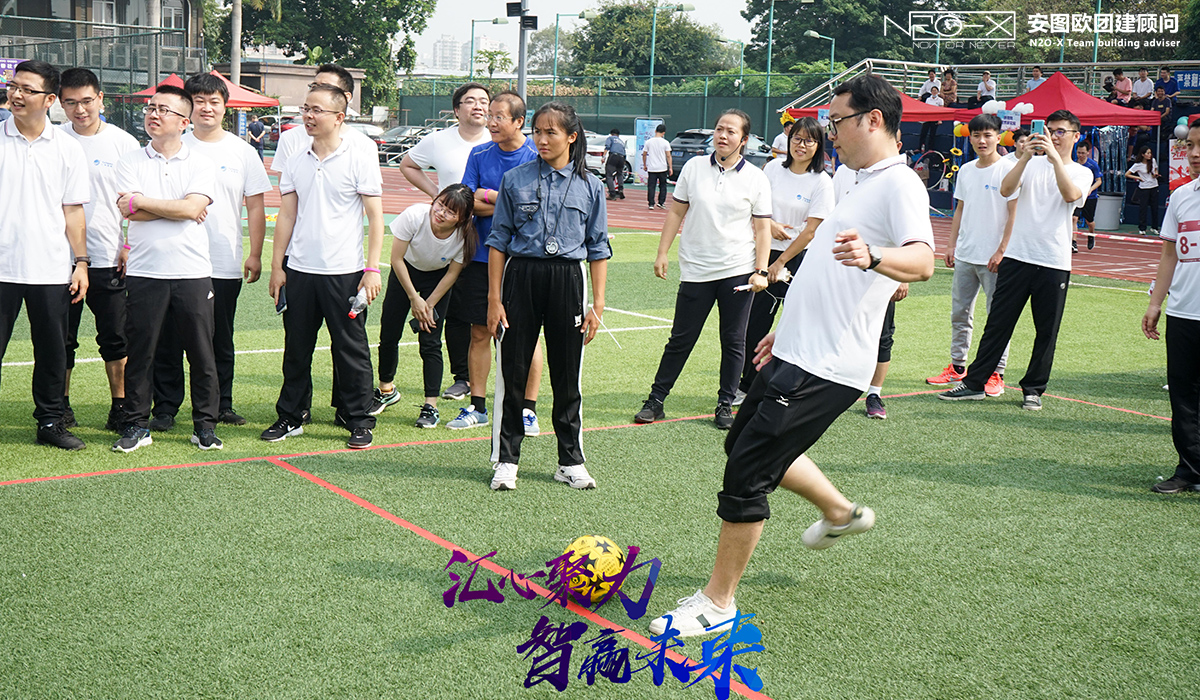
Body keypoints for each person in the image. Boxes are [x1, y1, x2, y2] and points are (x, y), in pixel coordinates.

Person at [648, 74, 934, 638]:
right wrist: (785, 330)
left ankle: (718, 603)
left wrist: (875, 256)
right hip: (798, 348)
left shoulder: (900, 184)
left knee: (747, 470)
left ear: (873, 120)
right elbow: (824, 266)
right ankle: (840, 512)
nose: (832, 132)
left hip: (830, 362)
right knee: (741, 443)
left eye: (838, 121)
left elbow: (923, 260)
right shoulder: (851, 178)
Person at [486, 101, 610, 491]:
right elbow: (498, 241)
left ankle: (570, 461)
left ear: (571, 137)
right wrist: (494, 299)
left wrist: (598, 303)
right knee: (512, 373)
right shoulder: (515, 179)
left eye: (550, 132)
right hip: (520, 277)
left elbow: (598, 248)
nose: (541, 139)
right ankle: (506, 459)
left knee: (567, 375)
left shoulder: (592, 186)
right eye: (537, 131)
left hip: (568, 279)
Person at [940, 110, 1094, 409]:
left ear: (1076, 136)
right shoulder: (1028, 163)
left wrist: (1054, 159)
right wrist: (1025, 157)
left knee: (1046, 330)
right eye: (1049, 130)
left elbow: (1070, 196)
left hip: (1053, 260)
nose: (1053, 136)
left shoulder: (1081, 171)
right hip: (1017, 256)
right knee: (998, 323)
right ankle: (975, 383)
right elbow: (1006, 189)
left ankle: (1033, 389)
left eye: (1060, 132)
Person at [148, 73, 271, 431]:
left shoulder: (242, 151)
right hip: (173, 259)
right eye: (199, 101)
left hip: (222, 260)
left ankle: (221, 404)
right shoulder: (172, 145)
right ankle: (165, 408)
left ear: (224, 107)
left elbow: (255, 207)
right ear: (187, 108)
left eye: (214, 101)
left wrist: (255, 253)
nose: (206, 108)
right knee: (169, 339)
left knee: (219, 337)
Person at [634, 109, 772, 430]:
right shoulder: (694, 167)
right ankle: (656, 400)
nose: (723, 135)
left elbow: (763, 229)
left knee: (733, 341)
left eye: (731, 131)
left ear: (744, 140)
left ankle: (725, 404)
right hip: (696, 269)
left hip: (738, 270)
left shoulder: (756, 177)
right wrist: (662, 253)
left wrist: (762, 271)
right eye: (720, 129)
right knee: (680, 339)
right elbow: (675, 213)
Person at [263, 83, 384, 449]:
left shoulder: (358, 157)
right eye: (305, 109)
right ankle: (291, 416)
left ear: (339, 117)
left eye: (317, 110)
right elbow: (287, 215)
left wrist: (371, 269)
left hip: (345, 272)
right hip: (300, 270)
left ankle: (359, 419)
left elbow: (375, 218)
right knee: (296, 348)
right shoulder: (296, 158)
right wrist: (277, 266)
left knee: (351, 348)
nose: (308, 116)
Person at [111, 85, 220, 453]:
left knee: (201, 353)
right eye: (150, 108)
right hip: (146, 272)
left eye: (163, 110)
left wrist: (145, 202)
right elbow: (129, 211)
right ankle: (137, 424)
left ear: (184, 122)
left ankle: (205, 426)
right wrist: (178, 207)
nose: (153, 114)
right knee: (141, 353)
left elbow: (191, 209)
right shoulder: (130, 161)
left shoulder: (200, 163)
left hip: (192, 271)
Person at [0, 60, 90, 451]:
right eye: (13, 86)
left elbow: (73, 210)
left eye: (27, 89)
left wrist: (81, 262)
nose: (16, 94)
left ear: (50, 100)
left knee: (52, 352)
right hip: (2, 268)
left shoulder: (68, 148)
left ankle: (50, 421)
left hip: (51, 268)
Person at [398, 82, 491, 404]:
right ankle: (461, 377)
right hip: (451, 236)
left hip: (489, 234)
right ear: (456, 109)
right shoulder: (439, 140)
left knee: (486, 308)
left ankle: (492, 376)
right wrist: (437, 197)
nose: (478, 106)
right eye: (470, 101)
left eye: (484, 101)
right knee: (456, 309)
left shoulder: (495, 140)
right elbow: (408, 164)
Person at [456, 91, 543, 433]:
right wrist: (510, 202)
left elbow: (537, 207)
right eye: (489, 115)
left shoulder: (537, 155)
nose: (490, 122)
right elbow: (466, 203)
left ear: (519, 121)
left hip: (524, 260)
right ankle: (477, 407)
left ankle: (527, 410)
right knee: (479, 331)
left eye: (498, 117)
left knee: (527, 336)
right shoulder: (479, 154)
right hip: (481, 256)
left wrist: (490, 196)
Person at [58, 67, 138, 432]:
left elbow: (135, 201)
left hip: (108, 256)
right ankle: (59, 405)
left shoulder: (124, 144)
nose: (80, 110)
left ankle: (120, 406)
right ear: (60, 103)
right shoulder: (54, 140)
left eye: (87, 101)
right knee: (61, 338)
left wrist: (128, 243)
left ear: (100, 98)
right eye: (71, 102)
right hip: (59, 259)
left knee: (115, 337)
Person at [736, 116, 832, 403]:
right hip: (763, 253)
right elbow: (754, 205)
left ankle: (788, 385)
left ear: (819, 145)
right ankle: (745, 385)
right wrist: (770, 226)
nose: (801, 145)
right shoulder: (773, 169)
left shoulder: (822, 182)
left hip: (798, 259)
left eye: (809, 141)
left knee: (795, 324)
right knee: (754, 323)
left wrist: (781, 263)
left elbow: (811, 230)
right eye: (797, 139)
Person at [926, 114, 1015, 396]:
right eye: (976, 135)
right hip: (966, 254)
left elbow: (1014, 214)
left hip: (994, 258)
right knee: (960, 314)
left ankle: (996, 373)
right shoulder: (965, 170)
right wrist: (951, 245)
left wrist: (1002, 250)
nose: (982, 140)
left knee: (997, 318)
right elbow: (960, 209)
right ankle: (957, 366)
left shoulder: (1009, 169)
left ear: (999, 137)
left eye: (988, 135)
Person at [376, 185, 475, 428]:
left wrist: (428, 305)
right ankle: (386, 389)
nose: (441, 213)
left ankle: (431, 406)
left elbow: (452, 274)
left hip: (438, 279)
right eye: (440, 204)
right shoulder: (414, 216)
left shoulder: (465, 236)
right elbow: (396, 259)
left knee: (430, 341)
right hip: (405, 272)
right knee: (389, 333)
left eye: (450, 212)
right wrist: (414, 298)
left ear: (462, 218)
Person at [1141, 118, 1200, 494]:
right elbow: (1169, 256)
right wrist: (1155, 303)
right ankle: (1189, 469)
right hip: (1183, 313)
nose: (1194, 153)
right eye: (1191, 145)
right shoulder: (1181, 197)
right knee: (1183, 394)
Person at [1072, 141, 1102, 252]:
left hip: (1090, 197)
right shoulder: (1074, 165)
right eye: (1079, 153)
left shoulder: (1092, 165)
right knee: (1074, 218)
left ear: (1088, 152)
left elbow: (1099, 181)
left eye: (1083, 153)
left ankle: (1091, 235)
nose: (1081, 155)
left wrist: (1090, 189)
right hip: (1078, 196)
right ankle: (1073, 242)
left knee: (1089, 221)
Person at [1126, 144, 1161, 236]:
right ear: (1143, 154)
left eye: (1150, 153)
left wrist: (1156, 174)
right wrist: (1138, 178)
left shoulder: (1153, 161)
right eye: (1147, 153)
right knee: (1143, 208)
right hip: (1144, 187)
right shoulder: (1137, 165)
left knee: (1155, 208)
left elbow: (1155, 170)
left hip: (1154, 186)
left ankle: (1155, 227)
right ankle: (1142, 228)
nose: (1149, 155)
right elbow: (1127, 174)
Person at [642, 123, 672, 210]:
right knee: (663, 186)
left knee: (651, 186)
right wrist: (670, 167)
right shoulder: (665, 142)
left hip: (652, 168)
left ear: (655, 131)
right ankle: (661, 202)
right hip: (662, 168)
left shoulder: (648, 142)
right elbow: (668, 155)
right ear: (663, 133)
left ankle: (651, 203)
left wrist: (645, 164)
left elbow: (644, 154)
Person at [602, 128, 627, 200]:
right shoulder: (621, 142)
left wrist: (603, 157)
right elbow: (624, 151)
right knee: (620, 174)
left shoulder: (610, 138)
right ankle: (620, 189)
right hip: (622, 157)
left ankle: (612, 193)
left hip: (613, 156)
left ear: (611, 134)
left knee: (609, 175)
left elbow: (607, 147)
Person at [918, 86, 943, 152]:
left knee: (932, 134)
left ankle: (930, 148)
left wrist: (940, 119)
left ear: (937, 92)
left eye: (935, 91)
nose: (934, 92)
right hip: (927, 118)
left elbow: (941, 110)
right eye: (933, 91)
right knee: (923, 133)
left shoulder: (940, 100)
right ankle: (920, 147)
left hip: (935, 119)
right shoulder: (928, 99)